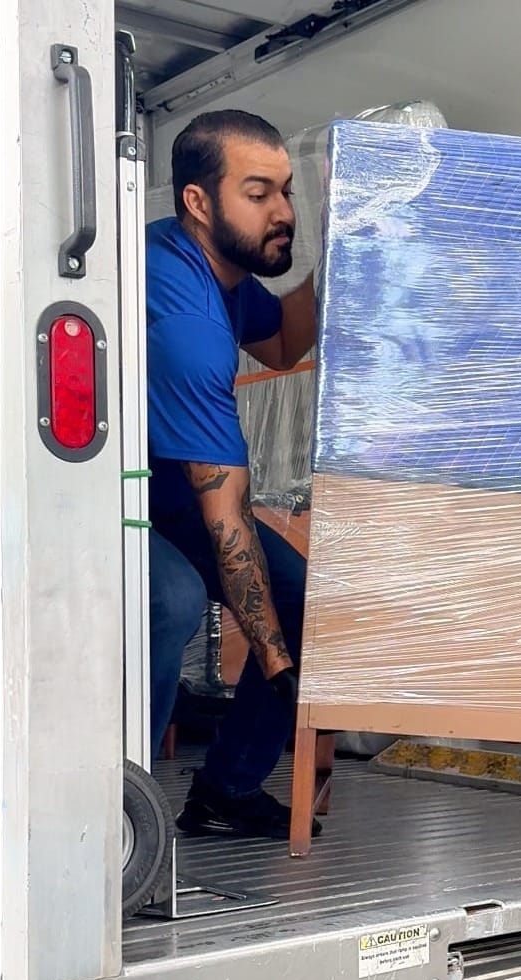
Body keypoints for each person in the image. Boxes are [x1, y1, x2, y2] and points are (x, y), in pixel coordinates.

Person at [146, 109, 320, 840]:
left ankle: (225, 789)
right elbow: (227, 525)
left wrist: (345, 261)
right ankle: (115, 804)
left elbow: (281, 341)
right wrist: (281, 669)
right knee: (173, 598)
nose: (283, 212)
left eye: (286, 191)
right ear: (198, 200)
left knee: (304, 601)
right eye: (259, 194)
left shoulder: (226, 276)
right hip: (94, 485)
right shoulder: (184, 316)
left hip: (168, 478)